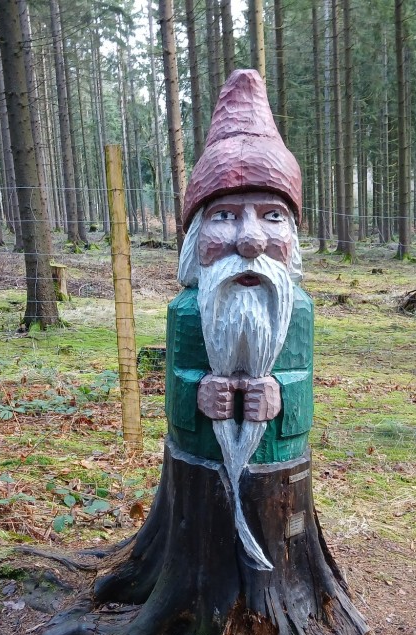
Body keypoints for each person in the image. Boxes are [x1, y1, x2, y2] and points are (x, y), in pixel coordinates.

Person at [165, 69, 313, 569]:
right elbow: (178, 377)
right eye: (225, 216)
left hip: (279, 476)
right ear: (195, 237)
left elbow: (300, 374)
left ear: (292, 237)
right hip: (199, 473)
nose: (250, 240)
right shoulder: (188, 311)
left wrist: (282, 394)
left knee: (283, 518)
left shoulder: (296, 309)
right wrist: (196, 393)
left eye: (272, 215)